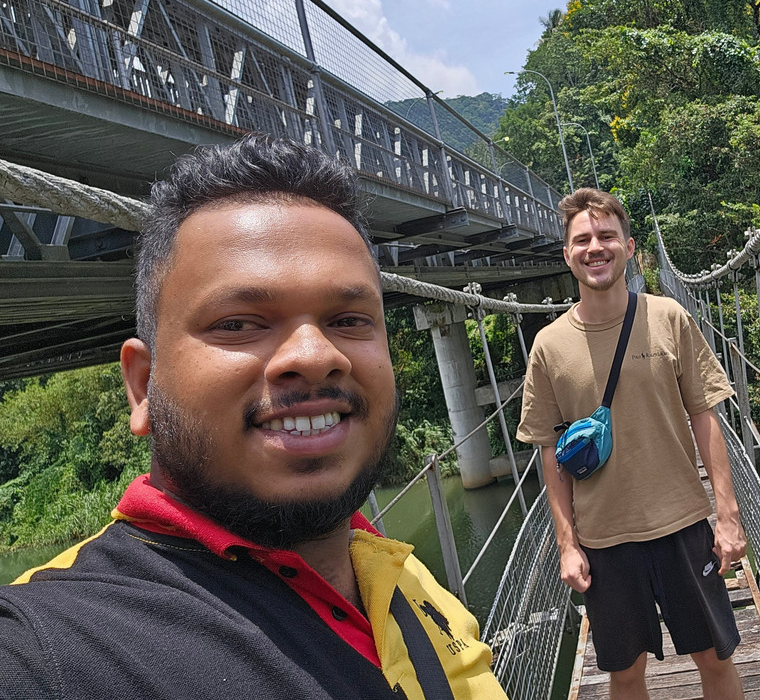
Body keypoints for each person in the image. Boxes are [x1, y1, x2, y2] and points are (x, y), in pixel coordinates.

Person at [0, 135, 507, 700]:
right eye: (238, 323)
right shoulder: (51, 648)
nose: (316, 356)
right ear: (143, 385)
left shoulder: (399, 575)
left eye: (349, 319)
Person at [517, 188, 748, 700]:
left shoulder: (669, 317)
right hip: (604, 540)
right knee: (624, 675)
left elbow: (705, 415)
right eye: (582, 239)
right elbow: (548, 453)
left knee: (716, 657)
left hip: (683, 524)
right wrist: (566, 544)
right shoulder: (549, 346)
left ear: (630, 247)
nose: (595, 247)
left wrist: (727, 516)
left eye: (606, 236)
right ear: (567, 254)